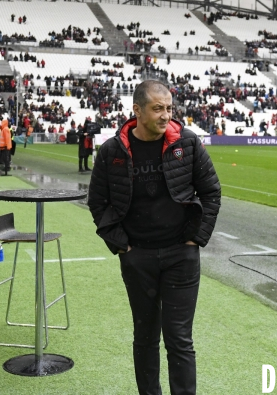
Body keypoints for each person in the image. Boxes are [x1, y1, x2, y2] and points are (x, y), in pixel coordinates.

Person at [87, 80, 221, 395]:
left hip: (181, 257)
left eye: (169, 108)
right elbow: (98, 202)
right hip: (138, 258)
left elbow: (211, 192)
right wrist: (122, 245)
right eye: (157, 108)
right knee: (145, 336)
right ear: (137, 110)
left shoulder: (187, 143)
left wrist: (196, 238)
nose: (165, 115)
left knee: (179, 339)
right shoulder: (112, 150)